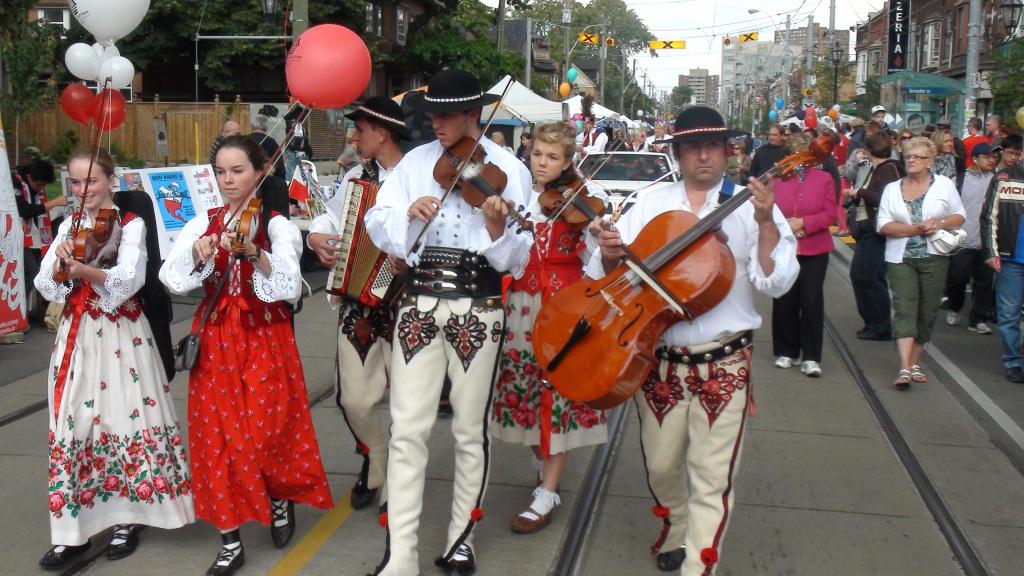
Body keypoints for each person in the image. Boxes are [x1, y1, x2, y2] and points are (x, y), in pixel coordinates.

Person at [589, 106, 798, 574]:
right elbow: (610, 280)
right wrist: (607, 255)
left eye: (713, 147)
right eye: (693, 148)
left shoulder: (752, 204)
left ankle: (698, 565)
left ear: (727, 152)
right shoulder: (649, 204)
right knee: (662, 467)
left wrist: (765, 224)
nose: (704, 156)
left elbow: (777, 282)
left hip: (724, 363)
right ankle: (676, 521)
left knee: (712, 479)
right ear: (678, 154)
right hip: (660, 361)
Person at [363, 69, 533, 576]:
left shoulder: (508, 170)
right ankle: (400, 554)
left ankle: (462, 539)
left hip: (478, 307)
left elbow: (517, 260)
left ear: (472, 115)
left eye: (446, 115)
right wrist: (410, 216)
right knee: (407, 429)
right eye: (431, 114)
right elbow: (378, 223)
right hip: (418, 302)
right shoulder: (415, 164)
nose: (435, 123)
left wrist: (499, 226)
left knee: (466, 429)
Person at [159, 136, 333, 575]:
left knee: (264, 434)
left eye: (237, 171)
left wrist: (257, 255)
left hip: (263, 339)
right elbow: (172, 278)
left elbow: (289, 289)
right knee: (217, 440)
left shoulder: (276, 224)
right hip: (217, 341)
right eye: (221, 171)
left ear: (258, 172)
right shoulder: (206, 221)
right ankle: (229, 537)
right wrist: (200, 255)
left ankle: (278, 497)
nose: (228, 180)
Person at [34, 149, 194, 569]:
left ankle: (128, 517)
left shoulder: (130, 224)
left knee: (122, 417)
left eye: (90, 181)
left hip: (120, 333)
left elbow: (128, 281)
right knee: (72, 423)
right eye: (73, 182)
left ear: (111, 181)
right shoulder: (69, 225)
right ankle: (72, 530)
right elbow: (45, 283)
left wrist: (86, 272)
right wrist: (61, 267)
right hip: (78, 333)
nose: (81, 190)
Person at [493, 122, 608, 536]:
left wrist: (595, 236)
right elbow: (506, 261)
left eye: (553, 157)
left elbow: (597, 267)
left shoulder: (581, 201)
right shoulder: (520, 196)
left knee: (556, 393)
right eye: (538, 154)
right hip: (522, 306)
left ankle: (548, 491)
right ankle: (544, 463)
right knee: (524, 390)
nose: (542, 163)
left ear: (567, 161)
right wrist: (497, 226)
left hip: (563, 305)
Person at [306, 96, 410, 511]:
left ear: (381, 134)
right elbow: (330, 217)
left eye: (360, 129)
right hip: (360, 301)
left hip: (407, 302)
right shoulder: (356, 179)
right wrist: (316, 235)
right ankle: (377, 455)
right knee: (354, 398)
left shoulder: (419, 176)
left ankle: (396, 478)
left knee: (408, 399)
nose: (354, 136)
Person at [877, 137, 966, 389]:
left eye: (918, 157)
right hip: (900, 257)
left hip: (934, 257)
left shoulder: (944, 185)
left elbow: (960, 215)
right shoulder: (892, 189)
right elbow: (882, 224)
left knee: (927, 312)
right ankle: (905, 368)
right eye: (908, 156)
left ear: (930, 161)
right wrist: (913, 229)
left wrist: (939, 223)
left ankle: (915, 362)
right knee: (905, 308)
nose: (912, 160)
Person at [771, 133, 837, 376]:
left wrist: (804, 223)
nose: (798, 161)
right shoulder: (777, 180)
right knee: (784, 299)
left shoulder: (824, 178)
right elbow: (768, 212)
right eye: (792, 155)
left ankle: (811, 355)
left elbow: (830, 214)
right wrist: (785, 225)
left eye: (802, 156)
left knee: (811, 301)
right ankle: (787, 350)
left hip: (815, 248)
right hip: (785, 247)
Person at [847, 131, 905, 341]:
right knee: (861, 275)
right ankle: (873, 322)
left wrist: (859, 193)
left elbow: (884, 198)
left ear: (870, 150)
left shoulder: (888, 169)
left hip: (877, 230)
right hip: (869, 229)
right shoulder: (878, 168)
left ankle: (880, 325)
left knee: (869, 276)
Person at [944, 143, 998, 333]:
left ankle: (979, 319)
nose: (991, 160)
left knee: (984, 282)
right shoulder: (960, 179)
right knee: (957, 278)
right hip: (962, 240)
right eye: (986, 156)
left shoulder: (997, 180)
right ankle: (954, 306)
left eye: (993, 157)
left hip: (987, 242)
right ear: (974, 159)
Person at [982, 155, 1024, 382]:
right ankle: (1014, 361)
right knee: (1009, 314)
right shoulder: (1004, 178)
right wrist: (991, 251)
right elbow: (989, 217)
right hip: (1011, 259)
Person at [15, 158, 65, 322]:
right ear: (29, 177)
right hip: (17, 237)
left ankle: (34, 312)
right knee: (33, 271)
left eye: (44, 186)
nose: (41, 188)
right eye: (39, 185)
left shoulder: (37, 189)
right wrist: (54, 203)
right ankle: (18, 311)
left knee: (40, 269)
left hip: (35, 239)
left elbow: (39, 215)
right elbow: (24, 210)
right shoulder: (16, 184)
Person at [249, 113, 286, 179]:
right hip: (266, 183)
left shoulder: (244, 141)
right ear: (266, 127)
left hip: (247, 182)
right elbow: (281, 170)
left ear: (252, 125)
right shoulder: (271, 142)